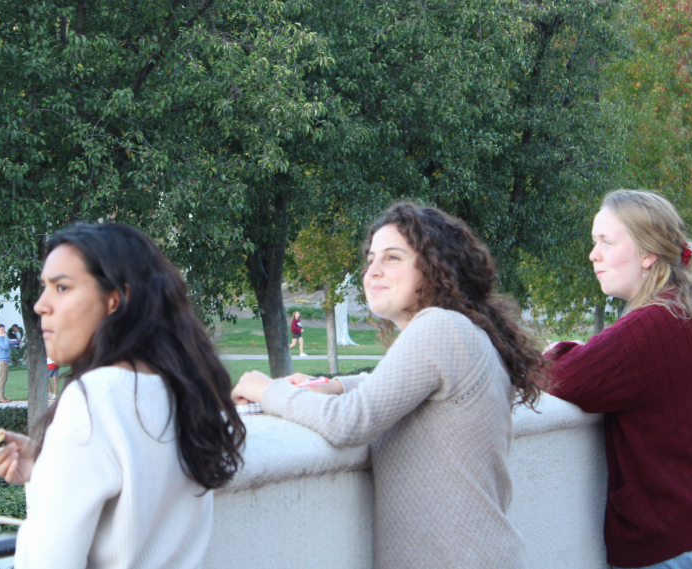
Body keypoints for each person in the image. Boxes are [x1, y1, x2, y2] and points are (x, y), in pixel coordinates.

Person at [232, 202, 543, 569]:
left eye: (392, 258)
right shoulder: (462, 331)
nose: (372, 272)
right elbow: (392, 384)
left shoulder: (440, 327)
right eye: (370, 259)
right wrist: (335, 386)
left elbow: (349, 423)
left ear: (433, 267)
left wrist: (265, 390)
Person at [0, 223, 244, 569]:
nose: (40, 305)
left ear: (115, 299)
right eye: (44, 287)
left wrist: (46, 487)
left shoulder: (93, 400)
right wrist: (47, 468)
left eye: (62, 287)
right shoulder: (183, 387)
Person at [543, 190, 692, 569]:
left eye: (606, 242)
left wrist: (558, 349)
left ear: (647, 254)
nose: (593, 255)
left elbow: (562, 377)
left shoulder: (648, 326)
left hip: (673, 540)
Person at [0, 324, 12, 403]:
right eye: (2, 329)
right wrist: (6, 337)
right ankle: (0, 397)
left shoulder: (2, 338)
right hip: (2, 360)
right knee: (2, 379)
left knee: (3, 379)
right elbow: (5, 346)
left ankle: (2, 396)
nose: (3, 330)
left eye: (4, 329)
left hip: (5, 359)